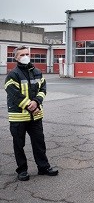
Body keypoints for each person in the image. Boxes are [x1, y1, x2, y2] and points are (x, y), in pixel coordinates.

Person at [4, 46, 58, 181]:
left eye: (27, 54)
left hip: (35, 117)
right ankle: (22, 170)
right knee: (19, 145)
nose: (25, 56)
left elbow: (43, 89)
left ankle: (43, 167)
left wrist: (37, 101)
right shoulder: (12, 75)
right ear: (16, 57)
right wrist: (32, 106)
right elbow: (14, 95)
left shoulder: (38, 72)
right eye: (22, 54)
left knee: (39, 143)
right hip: (18, 117)